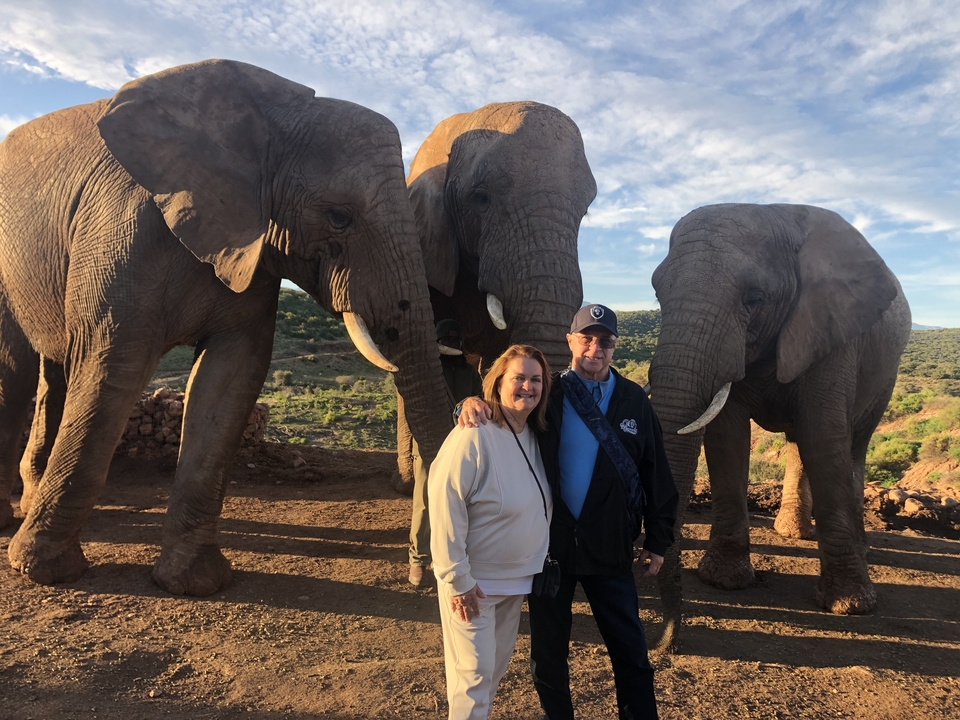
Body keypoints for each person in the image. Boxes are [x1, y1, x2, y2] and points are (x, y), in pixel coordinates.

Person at [458, 304, 678, 719]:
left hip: (611, 549)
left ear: (615, 346)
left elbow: (657, 473)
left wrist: (659, 539)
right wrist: (469, 403)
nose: (596, 347)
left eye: (606, 341)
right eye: (587, 338)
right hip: (551, 551)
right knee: (548, 656)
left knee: (631, 653)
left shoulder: (633, 400)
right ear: (570, 341)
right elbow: (503, 411)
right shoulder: (548, 392)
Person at [429, 344, 554, 720]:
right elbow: (444, 503)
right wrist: (457, 579)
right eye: (519, 378)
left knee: (491, 675)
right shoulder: (474, 434)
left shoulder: (533, 435)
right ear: (498, 382)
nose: (527, 387)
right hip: (475, 585)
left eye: (536, 379)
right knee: (472, 682)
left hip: (516, 583)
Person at [408, 319, 483, 587]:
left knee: (464, 502)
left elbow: (480, 401)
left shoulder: (470, 372)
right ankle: (418, 558)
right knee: (425, 501)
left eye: (455, 339)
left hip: (461, 444)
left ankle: (457, 557)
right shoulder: (427, 370)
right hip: (429, 440)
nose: (451, 343)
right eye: (446, 338)